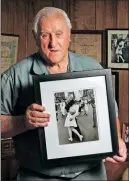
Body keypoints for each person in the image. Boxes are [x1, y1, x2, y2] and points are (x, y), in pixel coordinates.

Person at [1, 7, 127, 181]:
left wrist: (117, 140)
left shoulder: (92, 68)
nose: (53, 43)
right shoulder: (14, 76)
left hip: (90, 175)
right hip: (37, 176)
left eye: (59, 34)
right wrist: (23, 121)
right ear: (36, 37)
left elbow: (111, 114)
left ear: (69, 35)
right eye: (46, 35)